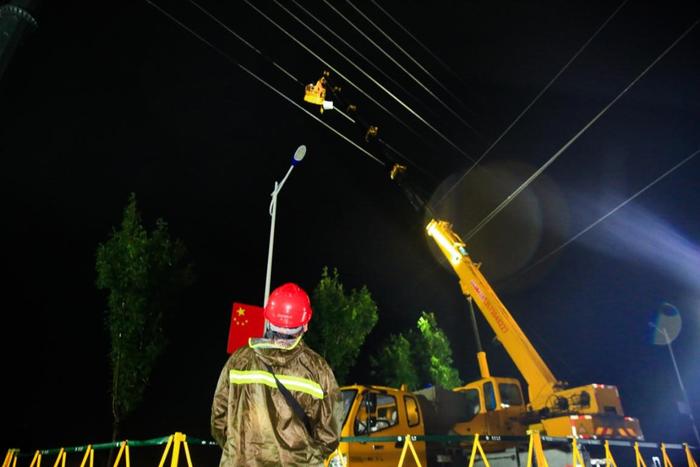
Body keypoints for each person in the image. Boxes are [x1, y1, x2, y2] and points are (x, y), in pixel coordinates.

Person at [211, 282, 344, 467]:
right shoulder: (318, 369)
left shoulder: (238, 361)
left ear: (268, 318)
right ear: (305, 325)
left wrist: (238, 451)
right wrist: (306, 457)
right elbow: (330, 432)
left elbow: (219, 420)